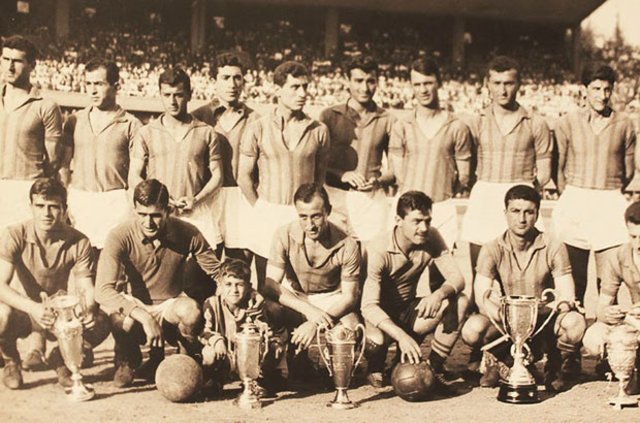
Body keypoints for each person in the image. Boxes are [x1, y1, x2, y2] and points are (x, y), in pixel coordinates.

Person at [95, 179, 221, 387]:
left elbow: (217, 272)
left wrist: (247, 292)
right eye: (142, 214)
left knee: (191, 311)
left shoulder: (188, 232)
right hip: (136, 307)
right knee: (117, 315)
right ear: (134, 210)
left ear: (168, 210)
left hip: (169, 307)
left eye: (155, 215)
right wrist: (143, 316)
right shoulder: (119, 235)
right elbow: (102, 290)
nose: (148, 222)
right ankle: (128, 357)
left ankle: (185, 358)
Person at [461, 185, 585, 391]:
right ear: (505, 213)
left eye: (529, 212)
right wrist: (511, 316)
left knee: (575, 323)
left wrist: (532, 313)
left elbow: (567, 295)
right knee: (472, 330)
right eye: (515, 211)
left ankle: (554, 364)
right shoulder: (491, 248)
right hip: (507, 321)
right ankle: (503, 359)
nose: (522, 219)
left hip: (543, 318)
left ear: (537, 214)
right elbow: (482, 297)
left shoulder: (554, 246)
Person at [0, 178, 109, 389]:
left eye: (53, 207)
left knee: (100, 321)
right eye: (40, 206)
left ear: (64, 209)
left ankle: (61, 358)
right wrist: (33, 307)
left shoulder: (79, 241)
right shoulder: (14, 234)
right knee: (1, 315)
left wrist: (88, 309)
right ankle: (11, 360)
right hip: (22, 311)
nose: (46, 213)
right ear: (31, 206)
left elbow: (86, 286)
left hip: (56, 312)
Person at [361, 191, 468, 390]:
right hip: (378, 317)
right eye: (416, 221)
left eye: (427, 221)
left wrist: (438, 295)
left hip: (407, 309)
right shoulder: (378, 248)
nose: (424, 228)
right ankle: (375, 366)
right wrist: (401, 336)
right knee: (375, 343)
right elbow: (368, 307)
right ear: (398, 220)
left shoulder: (432, 236)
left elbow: (457, 278)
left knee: (460, 301)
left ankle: (433, 368)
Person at [238, 61, 329, 289]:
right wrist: (260, 207)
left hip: (303, 215)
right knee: (266, 281)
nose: (303, 93)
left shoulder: (318, 130)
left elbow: (319, 178)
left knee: (299, 282)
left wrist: (310, 212)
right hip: (268, 210)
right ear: (278, 90)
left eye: (305, 87)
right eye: (295, 87)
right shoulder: (258, 127)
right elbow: (244, 176)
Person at [553, 64, 637, 306]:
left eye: (607, 89)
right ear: (584, 89)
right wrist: (571, 194)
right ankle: (573, 325)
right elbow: (559, 168)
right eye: (596, 89)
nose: (602, 95)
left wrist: (609, 189)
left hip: (609, 199)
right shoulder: (567, 122)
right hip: (575, 197)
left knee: (608, 280)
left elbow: (628, 171)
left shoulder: (624, 123)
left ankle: (606, 325)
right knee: (574, 279)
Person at [460, 55, 552, 275]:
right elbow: (467, 169)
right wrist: (483, 187)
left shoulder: (536, 123)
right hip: (485, 196)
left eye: (509, 83)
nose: (502, 90)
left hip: (519, 198)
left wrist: (525, 192)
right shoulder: (476, 121)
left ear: (519, 84)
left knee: (521, 274)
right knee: (481, 273)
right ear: (487, 84)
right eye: (497, 83)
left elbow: (545, 173)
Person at [261, 183, 361, 382]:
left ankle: (336, 372)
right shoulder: (283, 234)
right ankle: (275, 365)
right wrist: (310, 311)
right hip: (297, 296)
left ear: (328, 211)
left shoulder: (347, 243)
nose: (310, 225)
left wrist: (316, 321)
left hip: (330, 298)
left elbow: (350, 297)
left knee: (352, 327)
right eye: (303, 217)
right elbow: (271, 284)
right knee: (269, 310)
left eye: (316, 216)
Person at [129, 67, 223, 255]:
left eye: (178, 95)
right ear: (160, 95)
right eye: (167, 95)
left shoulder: (206, 132)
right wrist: (159, 200)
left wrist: (195, 200)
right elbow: (134, 175)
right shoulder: (146, 132)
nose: (172, 101)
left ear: (189, 95)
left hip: (195, 212)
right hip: (159, 215)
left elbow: (217, 176)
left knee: (201, 269)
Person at [389, 57, 472, 250]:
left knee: (442, 267)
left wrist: (441, 194)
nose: (423, 90)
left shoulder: (457, 127)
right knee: (400, 265)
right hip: (407, 211)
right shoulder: (402, 126)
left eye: (428, 83)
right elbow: (399, 175)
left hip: (441, 209)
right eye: (417, 84)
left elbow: (464, 176)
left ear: (439, 83)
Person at [62, 59, 141, 250]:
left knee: (112, 262)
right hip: (80, 201)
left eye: (99, 84)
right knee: (79, 261)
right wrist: (65, 199)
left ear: (116, 86)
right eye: (88, 84)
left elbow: (136, 174)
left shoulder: (132, 124)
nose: (92, 90)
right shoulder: (74, 120)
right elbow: (64, 166)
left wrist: (131, 207)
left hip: (114, 203)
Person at [192, 52, 259, 263]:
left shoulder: (255, 119)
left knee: (239, 264)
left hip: (241, 196)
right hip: (207, 195)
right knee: (205, 262)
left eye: (237, 78)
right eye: (226, 78)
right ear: (214, 81)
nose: (232, 84)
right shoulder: (198, 117)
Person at [320, 55, 394, 243]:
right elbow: (316, 163)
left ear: (377, 82)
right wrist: (341, 174)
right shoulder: (329, 116)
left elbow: (396, 170)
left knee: (371, 257)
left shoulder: (387, 119)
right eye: (358, 81)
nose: (365, 88)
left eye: (370, 81)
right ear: (348, 81)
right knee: (334, 256)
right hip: (334, 198)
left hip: (371, 201)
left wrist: (378, 181)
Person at [1, 35, 64, 230]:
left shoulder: (46, 106)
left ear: (32, 65)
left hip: (25, 188)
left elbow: (53, 161)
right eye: (6, 59)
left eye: (17, 61)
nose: (10, 67)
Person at [201, 258, 284, 393]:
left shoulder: (254, 306)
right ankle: (215, 379)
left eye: (239, 285)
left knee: (274, 347)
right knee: (208, 353)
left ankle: (256, 381)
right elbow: (204, 332)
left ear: (249, 286)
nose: (234, 290)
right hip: (226, 355)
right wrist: (216, 340)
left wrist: (271, 342)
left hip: (249, 358)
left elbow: (267, 332)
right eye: (228, 284)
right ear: (220, 285)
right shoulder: (212, 304)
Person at [583, 201, 640, 387]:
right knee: (593, 338)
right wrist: (609, 313)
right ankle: (627, 367)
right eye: (633, 236)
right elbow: (602, 307)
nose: (638, 244)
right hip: (636, 322)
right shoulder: (620, 255)